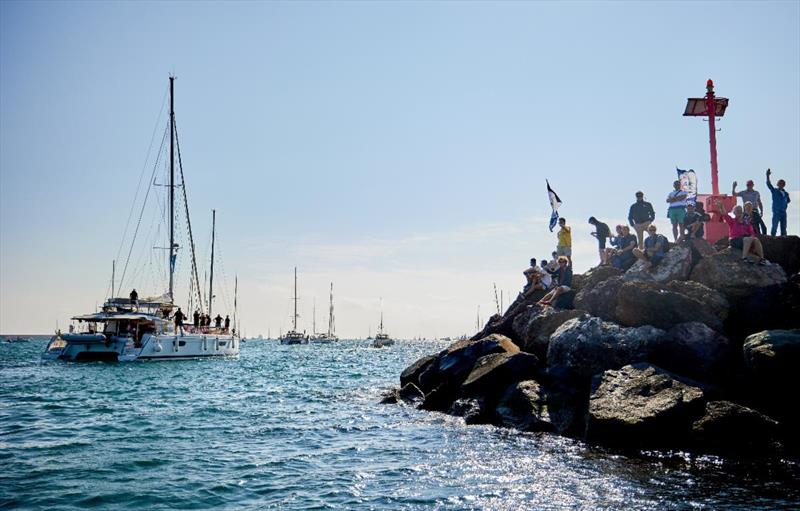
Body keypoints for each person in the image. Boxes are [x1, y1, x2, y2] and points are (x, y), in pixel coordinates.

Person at [717, 200, 768, 265]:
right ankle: (744, 258)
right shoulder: (732, 221)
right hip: (734, 240)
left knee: (756, 240)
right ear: (734, 212)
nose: (738, 211)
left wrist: (752, 238)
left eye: (740, 210)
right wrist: (721, 206)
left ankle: (762, 259)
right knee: (747, 239)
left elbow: (752, 232)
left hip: (744, 240)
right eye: (737, 210)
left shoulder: (746, 223)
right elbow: (724, 214)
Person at [766, 168, 791, 236]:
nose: (781, 184)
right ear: (778, 184)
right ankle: (772, 237)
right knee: (774, 226)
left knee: (783, 227)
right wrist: (767, 176)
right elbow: (769, 184)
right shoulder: (775, 191)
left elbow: (788, 200)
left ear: (784, 185)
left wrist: (784, 205)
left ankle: (784, 238)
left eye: (783, 183)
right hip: (776, 211)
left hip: (783, 212)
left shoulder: (786, 193)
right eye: (780, 183)